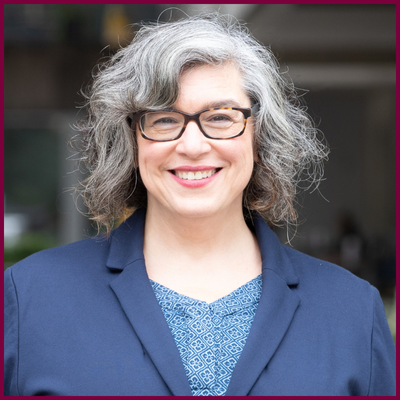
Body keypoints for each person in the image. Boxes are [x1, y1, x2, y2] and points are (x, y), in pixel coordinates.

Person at [4, 13, 395, 396]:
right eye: (163, 119)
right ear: (132, 141)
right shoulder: (30, 297)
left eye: (221, 117)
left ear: (260, 138)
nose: (192, 145)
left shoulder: (353, 311)